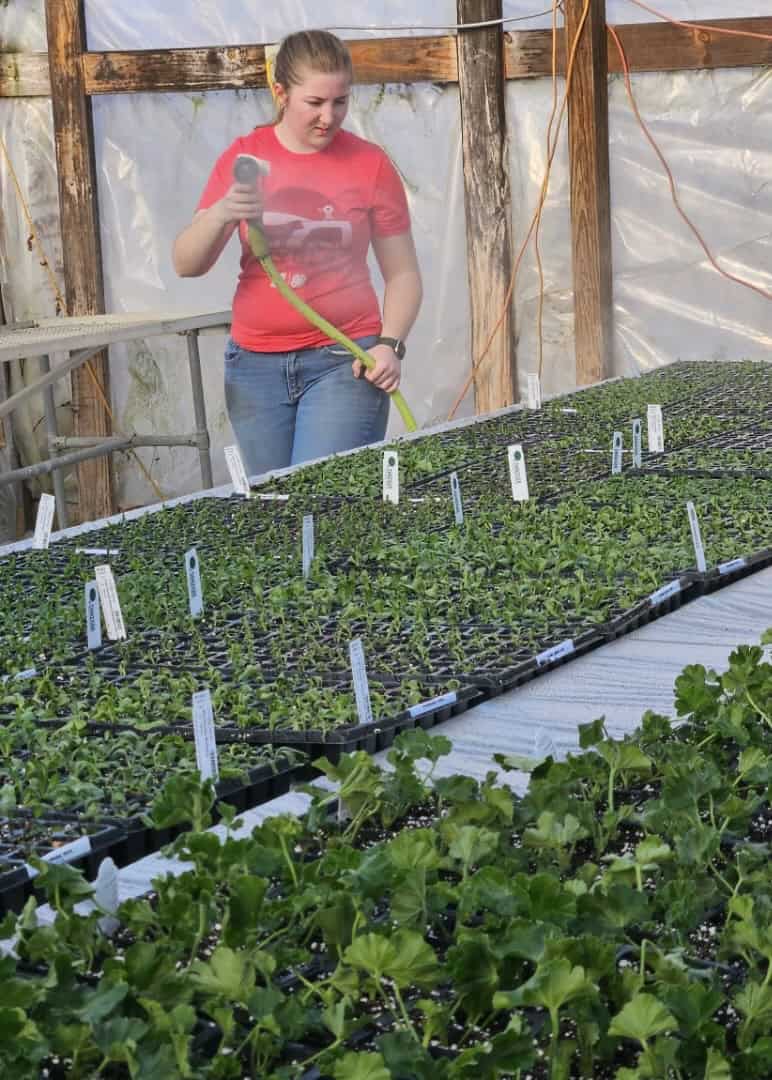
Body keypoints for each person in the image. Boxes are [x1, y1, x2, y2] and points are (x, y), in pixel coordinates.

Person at [173, 29, 422, 475]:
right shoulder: (246, 157)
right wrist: (222, 212)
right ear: (281, 92)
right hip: (254, 367)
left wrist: (390, 345)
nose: (329, 117)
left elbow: (403, 274)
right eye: (315, 103)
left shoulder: (370, 164)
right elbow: (186, 263)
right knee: (276, 508)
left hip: (344, 361)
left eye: (340, 101)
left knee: (321, 500)